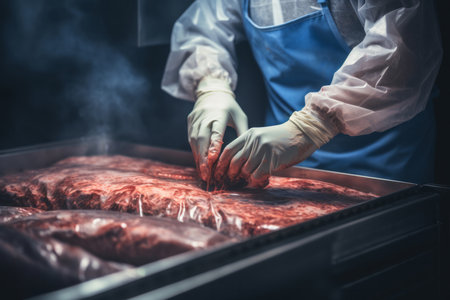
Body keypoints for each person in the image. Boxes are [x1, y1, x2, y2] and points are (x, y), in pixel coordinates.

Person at [161, 0, 442, 187]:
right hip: (283, 167)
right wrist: (211, 87)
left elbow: (403, 50)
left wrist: (312, 126)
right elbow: (203, 30)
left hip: (385, 168)